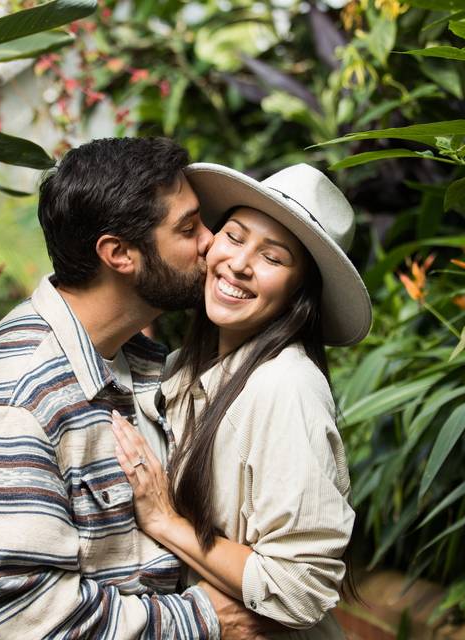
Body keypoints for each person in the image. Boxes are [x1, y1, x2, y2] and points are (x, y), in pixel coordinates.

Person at [0, 138, 276, 639]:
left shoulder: (130, 359)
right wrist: (203, 619)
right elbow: (24, 620)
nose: (213, 242)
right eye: (189, 228)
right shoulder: (18, 397)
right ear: (119, 254)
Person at [111, 162, 372, 639]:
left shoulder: (285, 386)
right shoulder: (184, 371)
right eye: (234, 236)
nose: (239, 263)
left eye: (273, 257)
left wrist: (166, 522)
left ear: (300, 293)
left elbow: (300, 584)